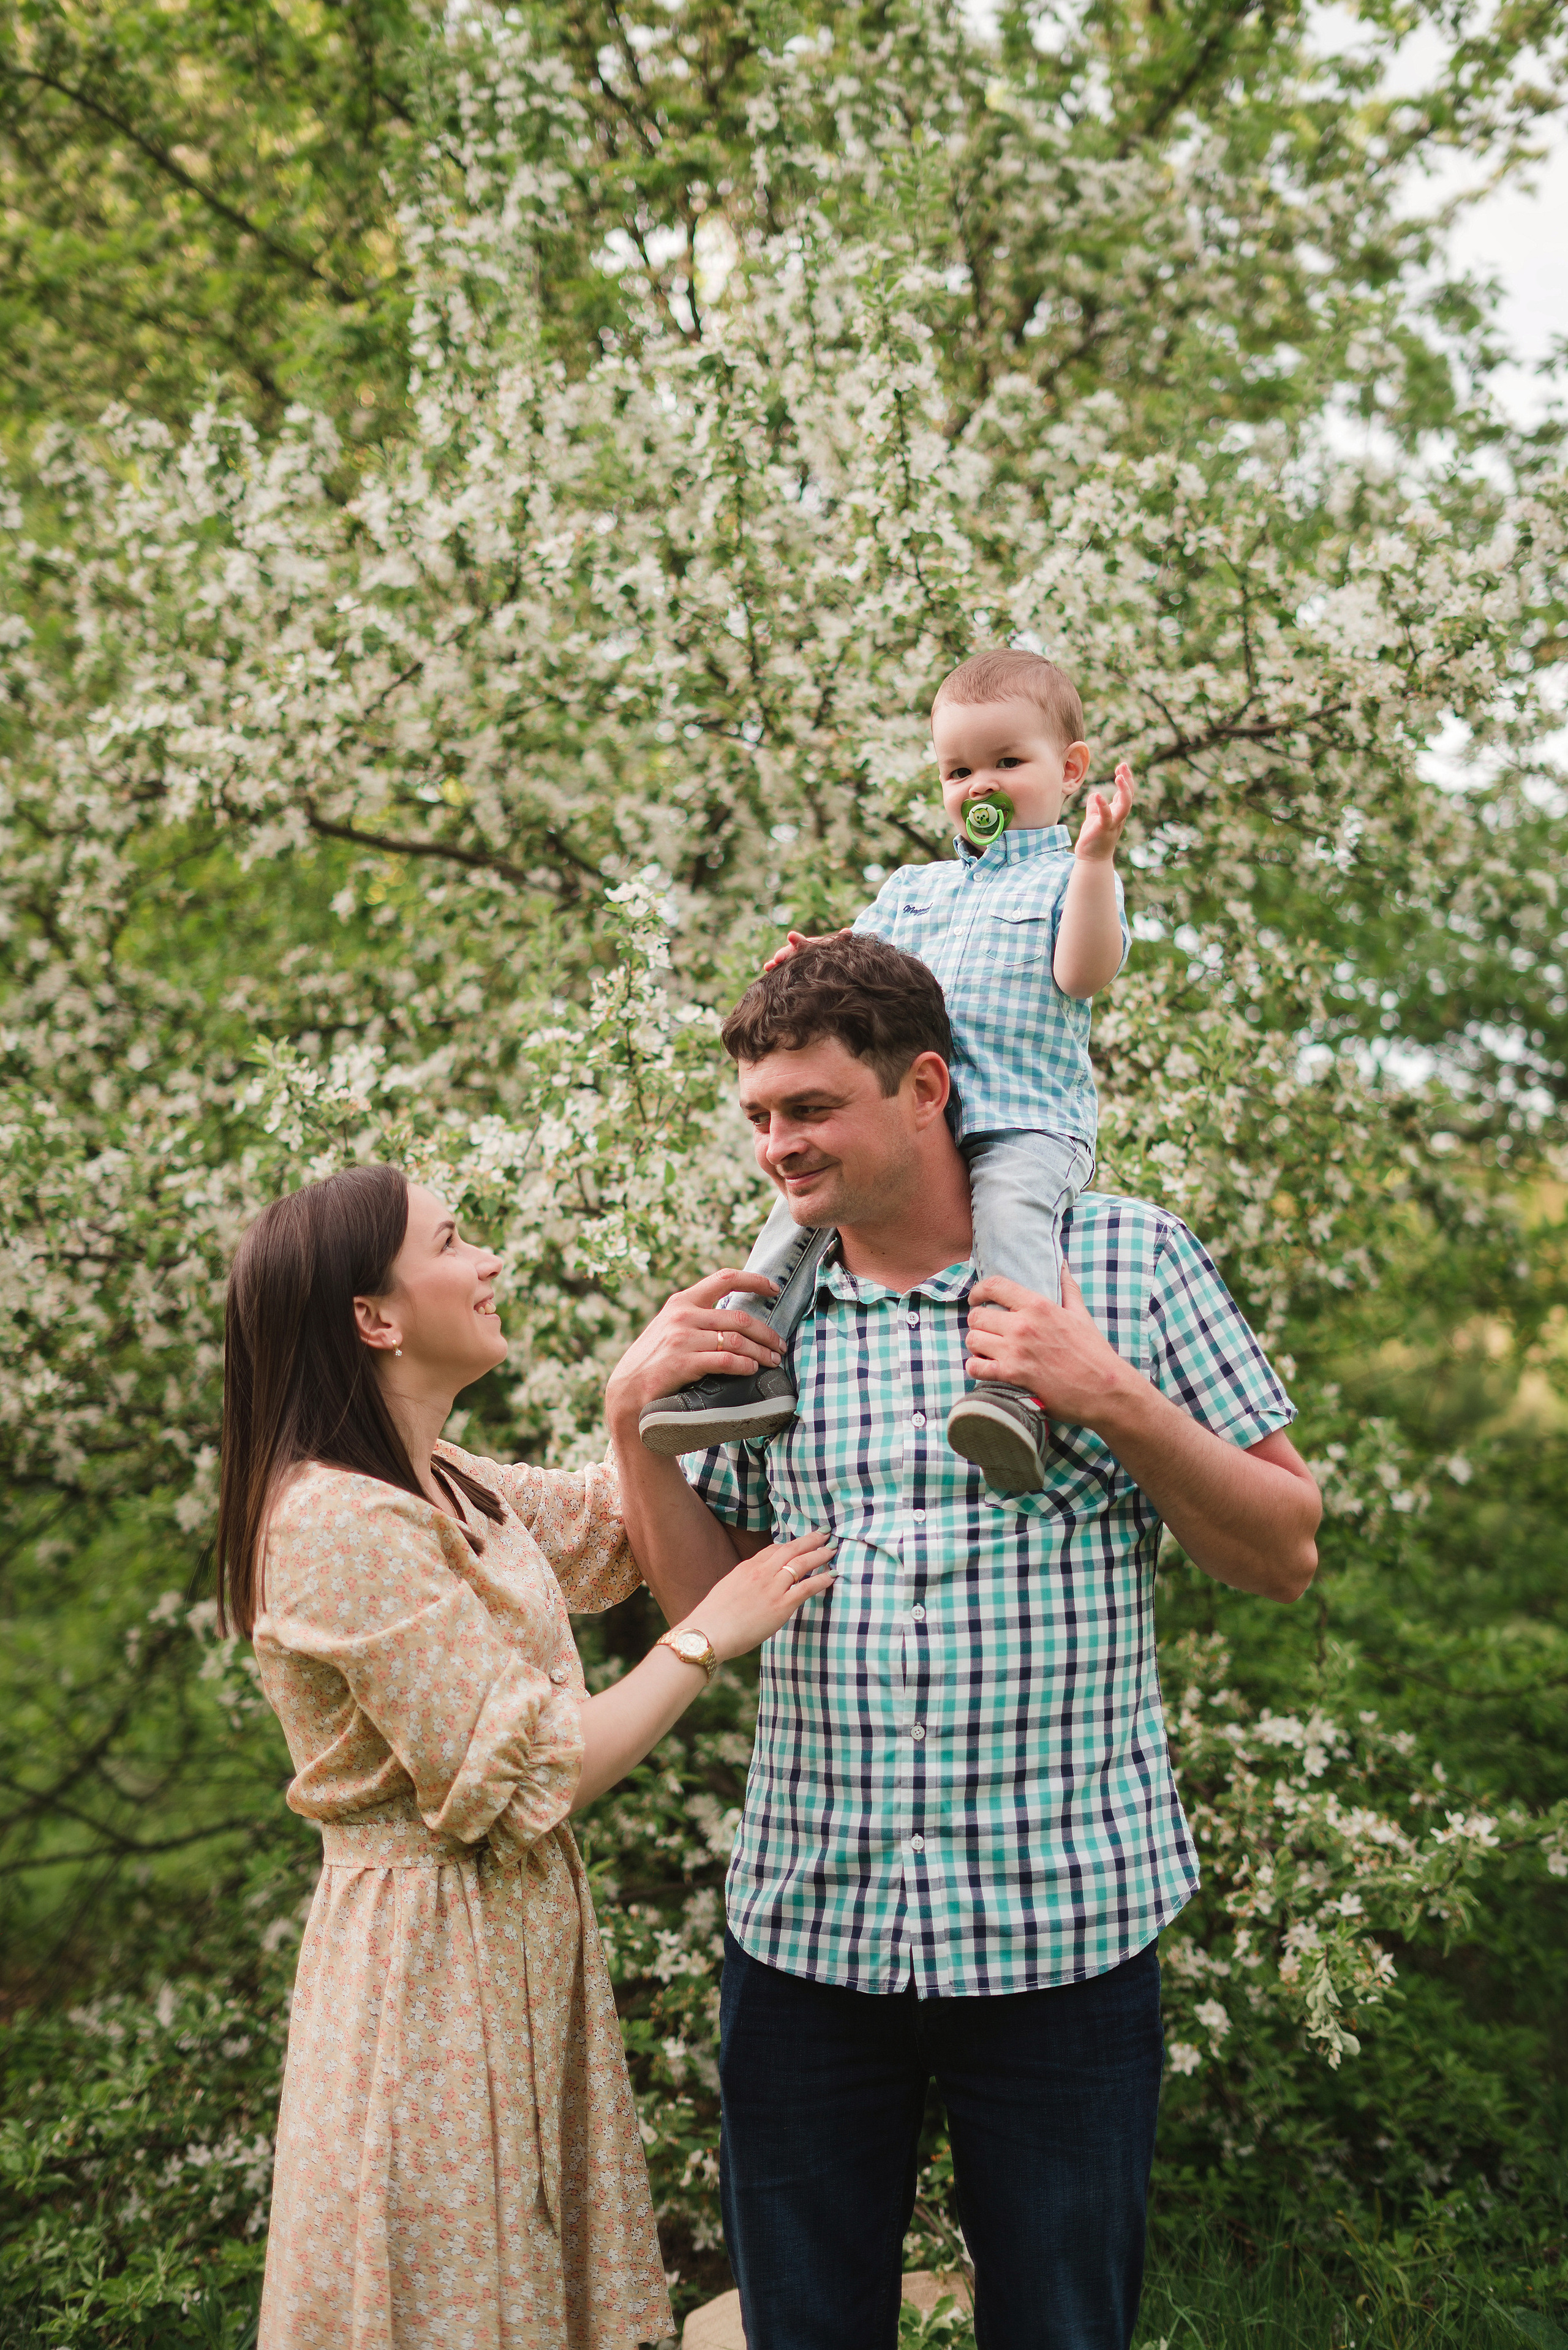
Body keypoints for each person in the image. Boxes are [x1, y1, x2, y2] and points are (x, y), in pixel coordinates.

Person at [605, 933, 1322, 2350]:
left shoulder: (1116, 1257)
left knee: (1059, 2328)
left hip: (1061, 1931)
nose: (775, 1146)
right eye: (756, 1114)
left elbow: (1282, 1551)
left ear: (924, 1084)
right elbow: (713, 1611)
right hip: (809, 1931)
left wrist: (1107, 1394)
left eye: (807, 1108)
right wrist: (635, 1429)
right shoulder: (756, 1321)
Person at [217, 1163, 836, 2350]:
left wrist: (637, 1404)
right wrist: (706, 1635)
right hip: (426, 1958)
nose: (489, 1259)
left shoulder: (444, 1479)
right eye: (455, 1241)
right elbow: (542, 1768)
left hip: (509, 1934)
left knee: (525, 2284)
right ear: (375, 1317)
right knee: (452, 2296)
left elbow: (623, 1524)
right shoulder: (332, 1520)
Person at [638, 645, 1136, 1496]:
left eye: (1008, 763)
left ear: (1070, 768)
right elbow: (860, 958)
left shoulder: (1066, 881)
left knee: (1011, 1218)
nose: (980, 785)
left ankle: (1013, 1390)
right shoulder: (918, 889)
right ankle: (747, 1362)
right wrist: (813, 954)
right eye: (958, 770)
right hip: (918, 1123)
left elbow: (1084, 972)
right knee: (798, 1222)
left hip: (1025, 1120)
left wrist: (1095, 859)